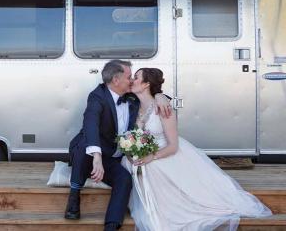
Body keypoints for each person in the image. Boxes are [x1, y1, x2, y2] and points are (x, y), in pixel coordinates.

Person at [122, 68, 272, 231]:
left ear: (146, 84)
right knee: (130, 164)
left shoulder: (164, 108)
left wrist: (153, 156)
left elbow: (173, 146)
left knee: (151, 167)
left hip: (165, 152)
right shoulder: (132, 103)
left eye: (136, 78)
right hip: (145, 152)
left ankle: (168, 209)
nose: (131, 80)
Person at [65, 60, 172, 231]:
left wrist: (161, 96)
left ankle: (112, 224)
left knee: (124, 178)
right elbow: (90, 123)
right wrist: (97, 157)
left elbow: (152, 94)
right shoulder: (97, 96)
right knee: (84, 144)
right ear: (116, 80)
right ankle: (74, 194)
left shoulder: (131, 94)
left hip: (113, 156)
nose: (132, 80)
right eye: (129, 76)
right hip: (89, 152)